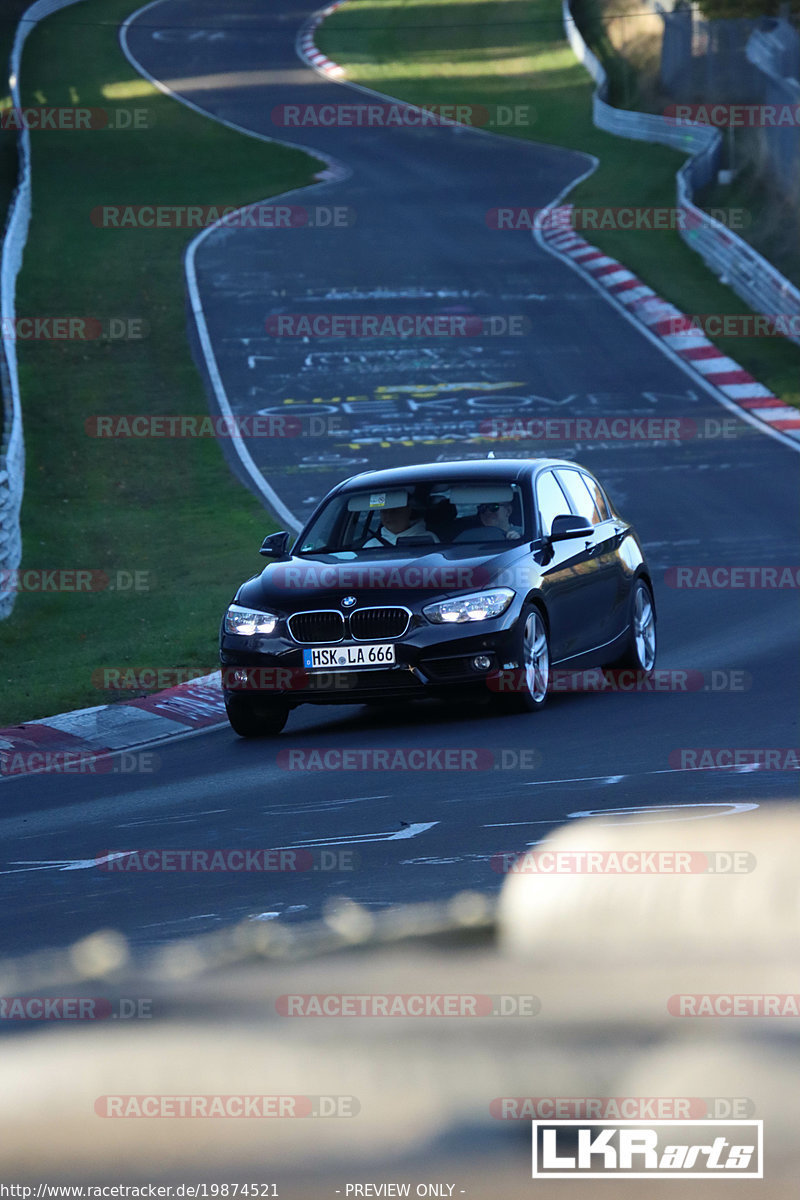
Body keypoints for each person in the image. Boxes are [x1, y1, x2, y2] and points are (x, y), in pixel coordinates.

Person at [362, 502, 439, 547]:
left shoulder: (429, 539)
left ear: (408, 511)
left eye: (394, 511)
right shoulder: (371, 545)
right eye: (384, 511)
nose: (388, 516)